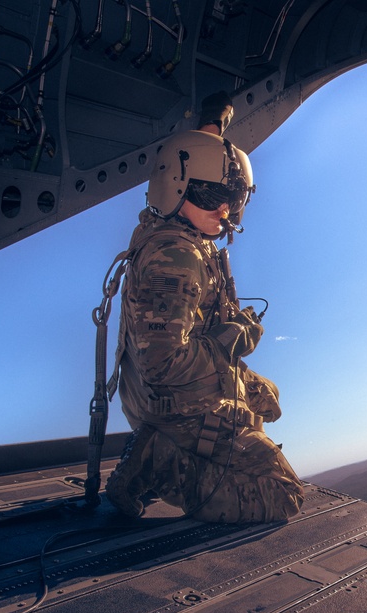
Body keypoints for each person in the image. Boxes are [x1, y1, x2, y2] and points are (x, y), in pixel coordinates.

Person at [105, 128, 304, 523]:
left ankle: (182, 451)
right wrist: (227, 342)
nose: (224, 210)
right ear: (174, 190)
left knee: (268, 398)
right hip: (172, 404)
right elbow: (162, 364)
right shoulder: (176, 255)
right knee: (284, 496)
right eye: (211, 197)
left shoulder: (185, 235)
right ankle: (158, 461)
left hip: (167, 392)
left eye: (233, 198)